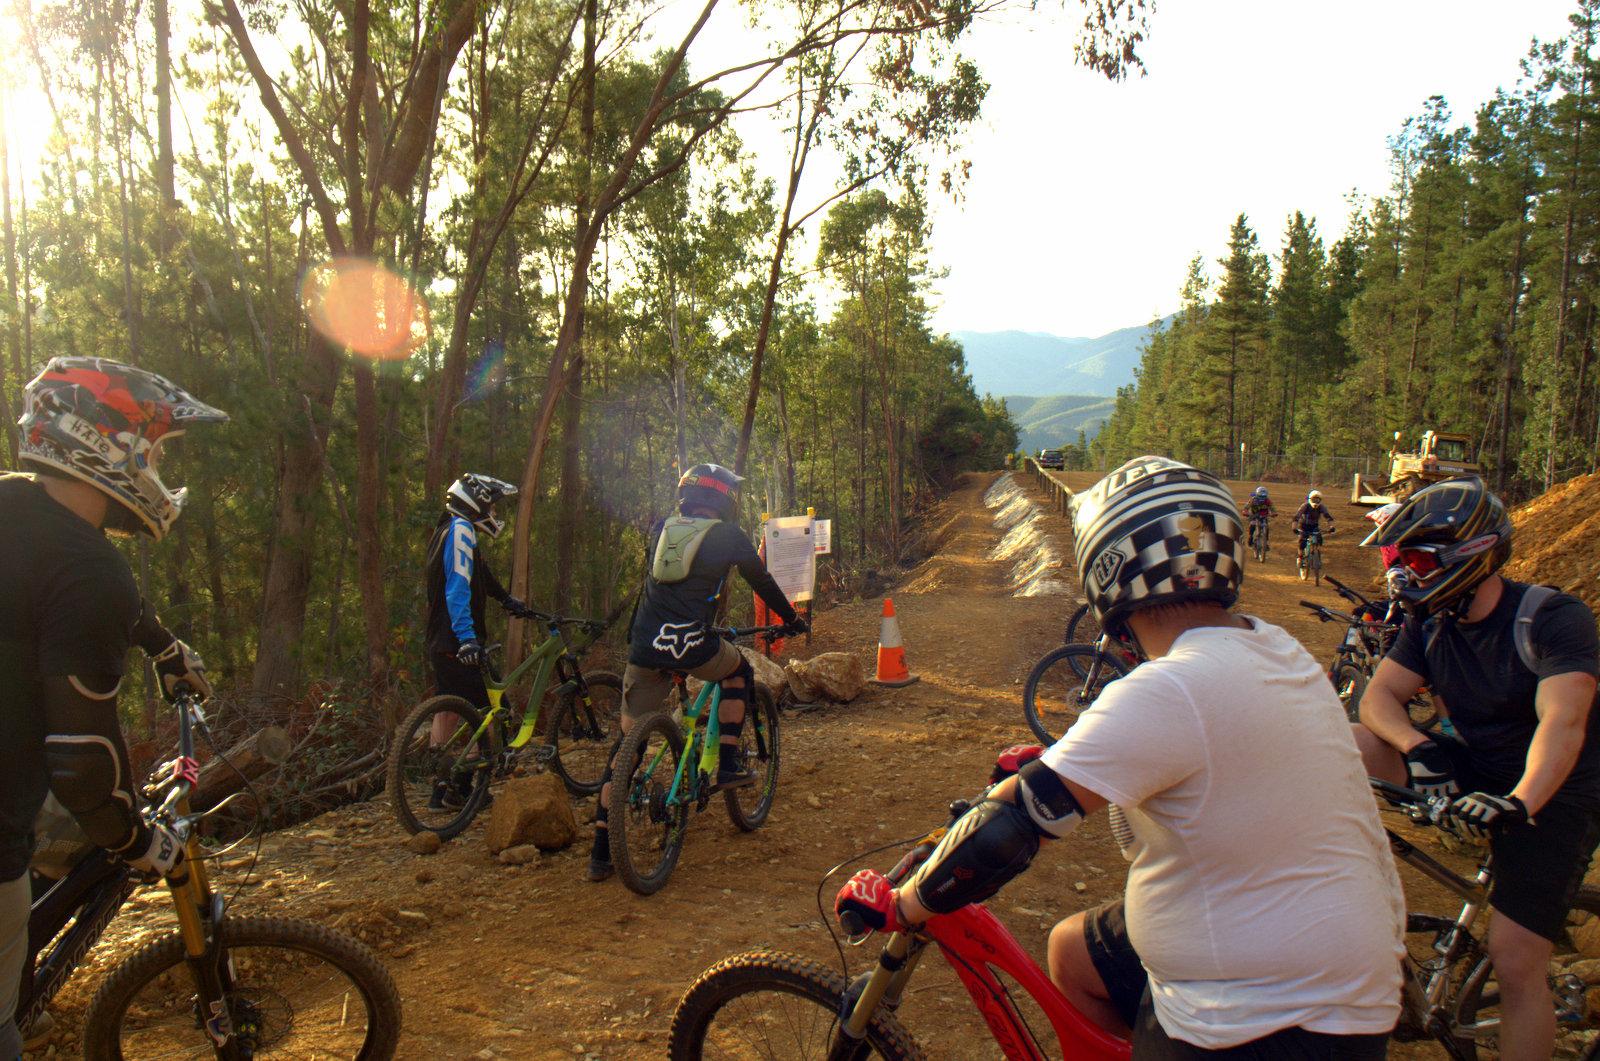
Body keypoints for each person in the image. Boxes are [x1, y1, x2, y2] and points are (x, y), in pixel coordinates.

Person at [837, 456, 1405, 1057]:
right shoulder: (1275, 647)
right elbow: (1204, 749)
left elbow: (1010, 829)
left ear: (1108, 573)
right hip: (1341, 960)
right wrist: (1070, 759)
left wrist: (903, 903)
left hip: (1264, 1012)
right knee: (1074, 953)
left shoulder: (1170, 688)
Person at [1, 356, 227, 1058]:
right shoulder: (93, 571)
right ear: (107, 443)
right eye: (152, 448)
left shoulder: (14, 503)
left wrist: (159, 643)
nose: (155, 466)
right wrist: (137, 841)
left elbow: (54, 588)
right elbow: (82, 765)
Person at [1353, 476, 1600, 1061]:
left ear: (1470, 555)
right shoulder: (1430, 621)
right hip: (1479, 769)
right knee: (1352, 743)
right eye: (1398, 559)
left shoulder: (1552, 618)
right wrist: (1419, 747)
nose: (1403, 574)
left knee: (1516, 966)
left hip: (1553, 792)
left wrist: (1519, 802)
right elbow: (1377, 700)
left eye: (1413, 558)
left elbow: (1562, 724)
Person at [588, 463, 806, 882]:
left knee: (626, 748)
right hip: (692, 645)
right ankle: (726, 762)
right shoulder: (727, 536)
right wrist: (790, 618)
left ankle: (601, 851)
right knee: (738, 671)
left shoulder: (661, 529)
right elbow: (760, 579)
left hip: (644, 647)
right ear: (723, 498)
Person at [423, 472, 527, 810]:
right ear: (477, 502)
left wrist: (506, 600)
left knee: (449, 709)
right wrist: (468, 639)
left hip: (439, 639)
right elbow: (457, 587)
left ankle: (441, 789)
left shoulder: (447, 530)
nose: (495, 513)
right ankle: (463, 787)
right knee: (494, 710)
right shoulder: (462, 531)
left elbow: (478, 573)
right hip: (457, 641)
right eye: (492, 505)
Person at [1292, 489, 1335, 572]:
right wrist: (1294, 527)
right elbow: (1296, 516)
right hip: (1303, 526)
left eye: (1318, 500)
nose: (1316, 501)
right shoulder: (1305, 506)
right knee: (1302, 542)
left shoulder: (1322, 507)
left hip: (1314, 526)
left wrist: (1332, 527)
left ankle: (1316, 554)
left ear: (1320, 500)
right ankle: (1300, 557)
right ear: (1309, 499)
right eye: (1314, 499)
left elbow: (1328, 517)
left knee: (1319, 539)